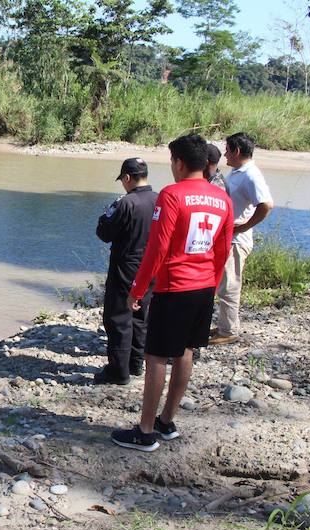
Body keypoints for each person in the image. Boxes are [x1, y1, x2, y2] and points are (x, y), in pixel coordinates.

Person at [111, 134, 233, 452]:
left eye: (171, 161)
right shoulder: (223, 198)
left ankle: (146, 431)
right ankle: (167, 421)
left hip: (173, 287)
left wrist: (137, 290)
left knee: (155, 358)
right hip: (204, 287)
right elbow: (222, 249)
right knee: (186, 352)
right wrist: (212, 283)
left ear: (178, 162)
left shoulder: (172, 195)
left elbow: (157, 248)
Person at [94, 158, 158, 385]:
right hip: (151, 265)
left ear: (128, 178)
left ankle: (118, 372)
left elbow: (104, 233)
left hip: (126, 266)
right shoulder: (160, 200)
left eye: (122, 179)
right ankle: (135, 363)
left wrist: (105, 216)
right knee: (141, 314)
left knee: (118, 316)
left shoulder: (125, 203)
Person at [210, 132, 274, 345]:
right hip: (227, 237)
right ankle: (224, 325)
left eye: (227, 150)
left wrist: (244, 226)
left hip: (237, 240)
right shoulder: (238, 172)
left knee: (230, 284)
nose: (225, 154)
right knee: (222, 282)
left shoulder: (251, 174)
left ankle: (228, 331)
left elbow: (266, 204)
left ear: (237, 151)